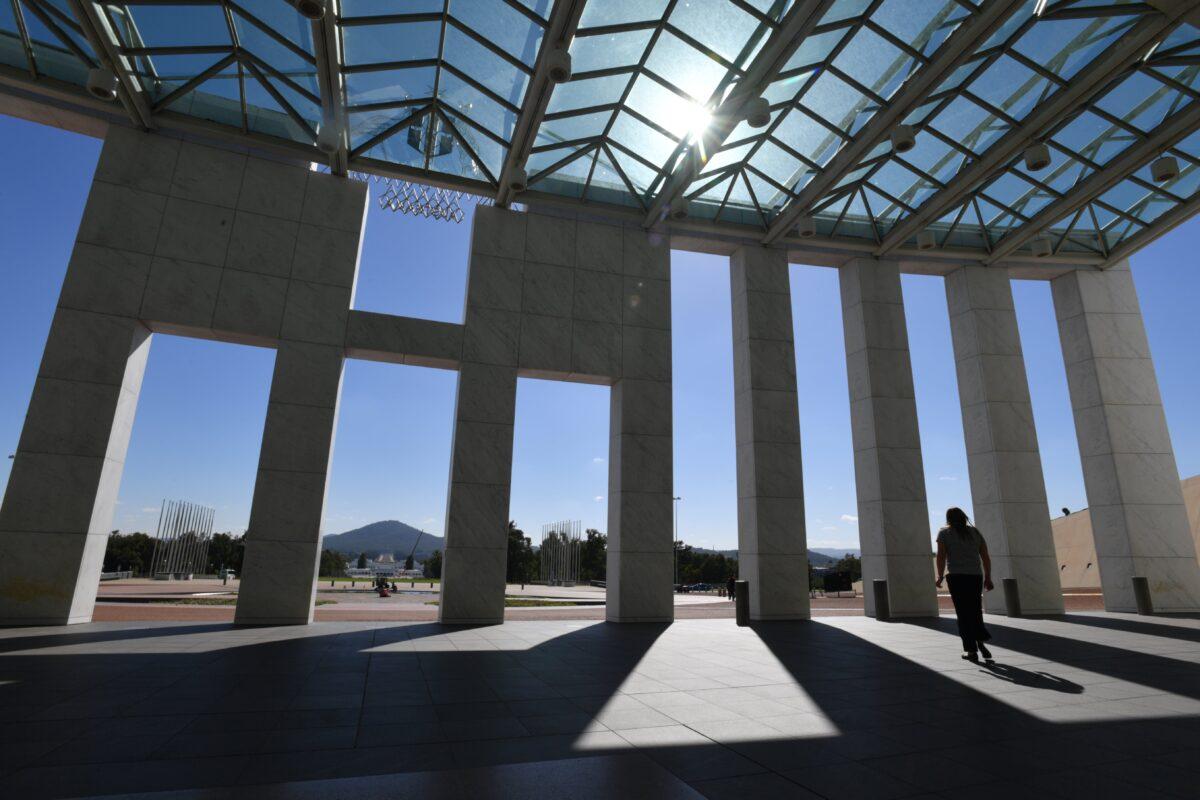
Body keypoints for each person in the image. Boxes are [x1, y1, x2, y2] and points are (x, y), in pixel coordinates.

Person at [935, 507, 994, 662]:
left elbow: (940, 557)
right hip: (975, 576)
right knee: (975, 610)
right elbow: (986, 557)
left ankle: (971, 650)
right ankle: (980, 641)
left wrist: (940, 576)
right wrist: (988, 577)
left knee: (963, 614)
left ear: (948, 518)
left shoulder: (944, 533)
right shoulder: (975, 532)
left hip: (956, 577)